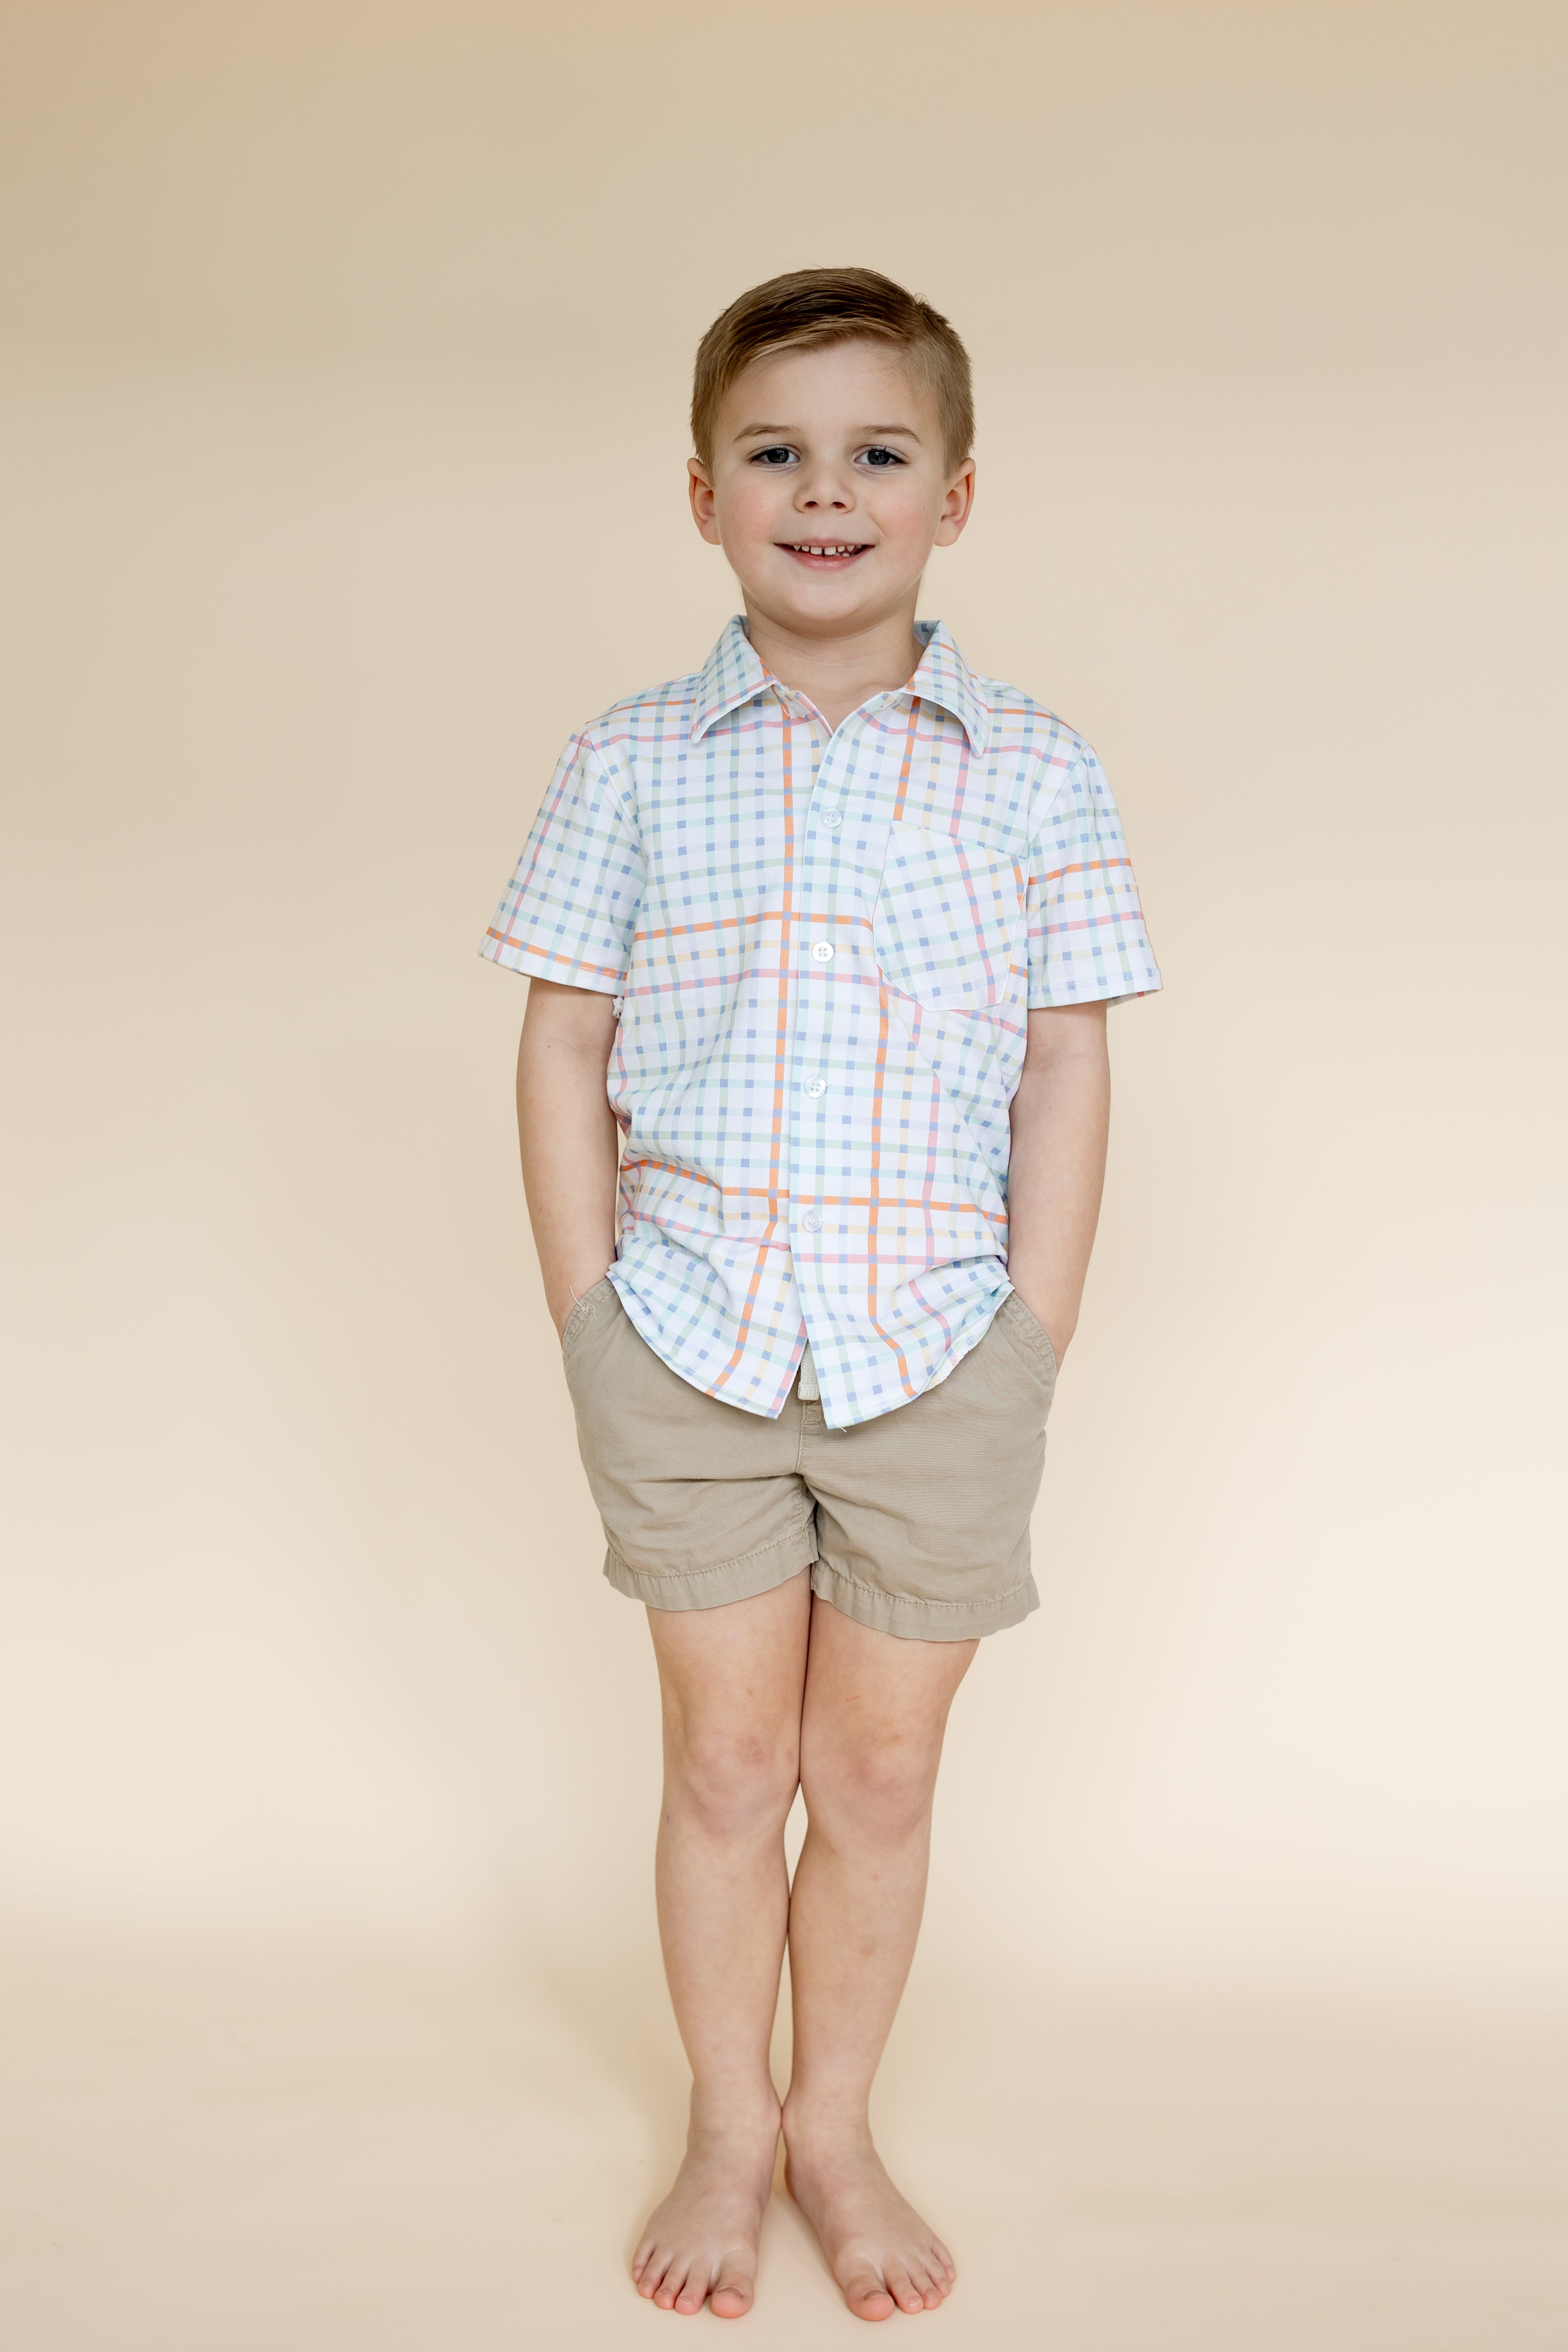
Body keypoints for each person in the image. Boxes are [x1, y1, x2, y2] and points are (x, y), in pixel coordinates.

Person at [482, 266, 1160, 2323]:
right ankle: (727, 2124)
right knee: (724, 1764)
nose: (827, 492)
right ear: (705, 496)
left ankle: (835, 2129)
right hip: (687, 1336)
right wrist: (589, 1314)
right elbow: (561, 1043)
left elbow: (1066, 1063)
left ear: (957, 493)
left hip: (939, 1346)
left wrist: (1033, 1336)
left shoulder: (1035, 769)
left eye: (878, 453)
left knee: (875, 1775)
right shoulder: (627, 760)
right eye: (777, 454)